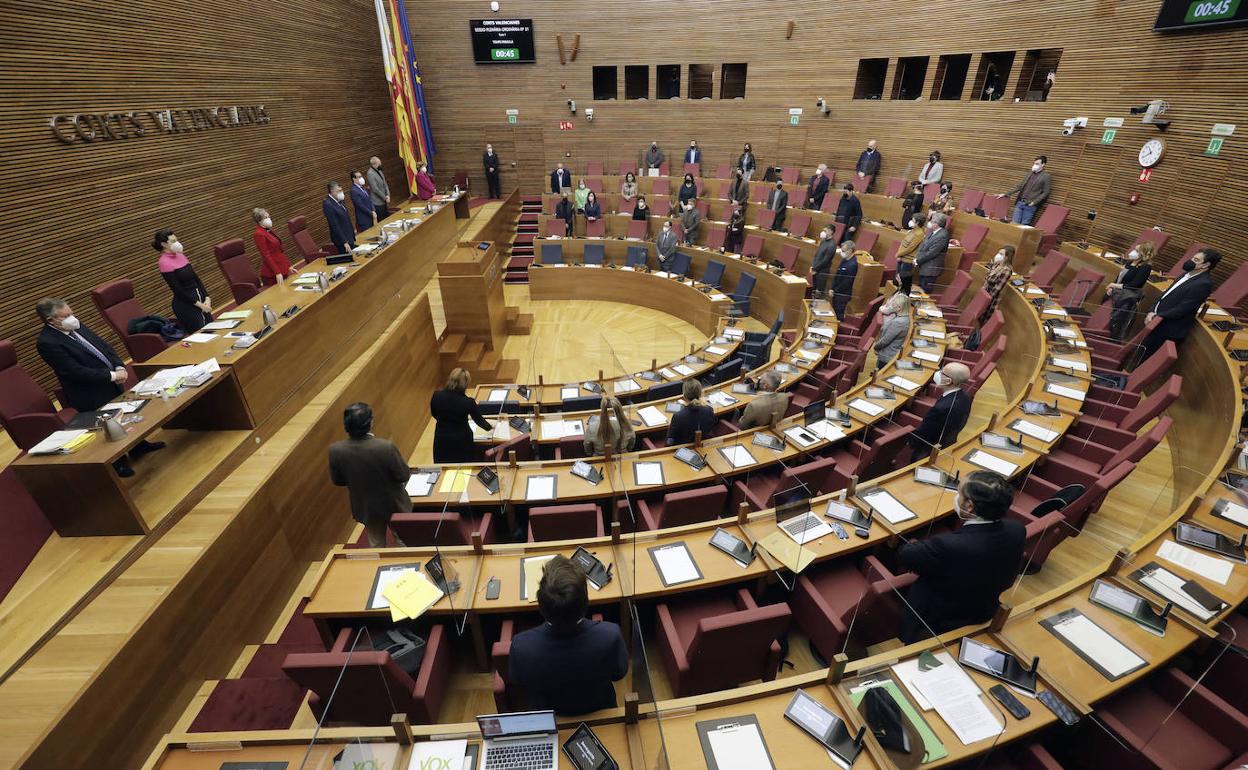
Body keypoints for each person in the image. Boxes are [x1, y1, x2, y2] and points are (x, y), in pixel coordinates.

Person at [35, 298, 164, 478]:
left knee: (122, 414)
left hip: (111, 379)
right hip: (89, 391)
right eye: (66, 316)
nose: (72, 318)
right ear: (51, 320)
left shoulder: (75, 326)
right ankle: (117, 463)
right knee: (105, 425)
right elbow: (73, 371)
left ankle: (138, 447)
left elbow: (104, 347)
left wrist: (119, 365)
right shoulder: (47, 342)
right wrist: (111, 376)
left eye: (71, 313)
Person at [895, 470, 1024, 643]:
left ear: (969, 506)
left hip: (939, 620)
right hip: (983, 608)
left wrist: (912, 543)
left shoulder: (949, 545)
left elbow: (906, 556)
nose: (956, 496)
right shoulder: (1017, 529)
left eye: (958, 493)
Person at [508, 555, 628, 715]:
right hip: (598, 711)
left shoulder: (521, 646)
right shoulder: (610, 635)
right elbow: (618, 674)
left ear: (540, 606)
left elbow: (518, 682)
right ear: (586, 602)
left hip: (550, 718)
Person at [328, 402, 410, 548]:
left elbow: (338, 481)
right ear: (370, 422)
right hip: (394, 504)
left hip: (366, 506)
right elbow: (403, 475)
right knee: (403, 540)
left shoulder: (335, 450)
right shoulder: (385, 447)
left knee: (376, 545)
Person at [1139, 248, 1219, 361]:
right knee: (1141, 353)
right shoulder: (1185, 274)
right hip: (1156, 320)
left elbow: (1183, 309)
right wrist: (1152, 310)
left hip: (1167, 329)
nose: (1191, 261)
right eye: (1192, 258)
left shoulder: (1204, 284)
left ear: (1206, 265)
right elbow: (1166, 294)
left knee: (1148, 360)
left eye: (1196, 260)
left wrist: (1158, 315)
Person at [908, 362, 972, 461]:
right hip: (947, 444)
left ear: (948, 381)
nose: (938, 373)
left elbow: (924, 433)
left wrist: (909, 442)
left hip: (928, 451)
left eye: (942, 373)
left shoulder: (941, 409)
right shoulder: (965, 397)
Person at [429, 368, 493, 463]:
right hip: (461, 440)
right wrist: (491, 427)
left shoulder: (436, 395)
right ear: (465, 384)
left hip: (442, 438)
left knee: (444, 466)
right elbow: (481, 422)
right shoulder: (468, 402)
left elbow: (434, 414)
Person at [153, 229, 212, 332]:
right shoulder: (164, 262)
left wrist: (207, 297)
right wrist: (199, 304)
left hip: (200, 299)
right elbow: (177, 289)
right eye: (173, 241)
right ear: (163, 244)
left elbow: (196, 279)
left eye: (176, 240)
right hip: (187, 304)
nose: (177, 243)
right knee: (202, 335)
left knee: (213, 330)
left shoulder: (181, 255)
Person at [1107, 242, 1155, 341]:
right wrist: (1112, 287)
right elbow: (1120, 277)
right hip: (1115, 292)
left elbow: (1135, 285)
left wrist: (1114, 285)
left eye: (1137, 251)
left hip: (1125, 298)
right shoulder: (1130, 262)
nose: (1133, 252)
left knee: (1116, 324)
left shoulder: (1146, 267)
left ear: (1143, 253)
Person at [251, 208, 294, 286]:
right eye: (266, 218)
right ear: (259, 220)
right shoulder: (258, 234)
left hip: (282, 268)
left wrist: (288, 265)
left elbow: (279, 251)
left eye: (269, 217)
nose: (269, 219)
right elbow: (266, 255)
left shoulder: (269, 230)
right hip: (272, 274)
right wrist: (277, 272)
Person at [1003, 156, 1051, 226]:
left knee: (1024, 226)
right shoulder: (1030, 173)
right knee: (1014, 224)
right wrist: (1006, 194)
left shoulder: (1046, 176)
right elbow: (1020, 186)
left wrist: (1034, 202)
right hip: (1020, 202)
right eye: (1034, 163)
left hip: (1030, 205)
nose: (1035, 165)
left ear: (1043, 164)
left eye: (1037, 164)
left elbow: (1046, 192)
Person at [667, 379, 716, 445]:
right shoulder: (709, 410)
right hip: (702, 445)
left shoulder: (678, 416)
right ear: (700, 393)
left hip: (682, 449)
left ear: (684, 395)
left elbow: (669, 441)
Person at [914, 212, 950, 294]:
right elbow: (923, 245)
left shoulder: (943, 235)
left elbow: (932, 253)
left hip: (931, 269)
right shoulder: (932, 231)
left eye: (932, 221)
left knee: (924, 292)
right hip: (925, 266)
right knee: (919, 291)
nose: (929, 223)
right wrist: (917, 257)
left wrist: (918, 260)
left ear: (937, 224)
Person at [874, 292, 911, 368]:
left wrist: (875, 347)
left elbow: (885, 340)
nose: (892, 305)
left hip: (887, 356)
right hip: (888, 353)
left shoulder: (898, 323)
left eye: (894, 304)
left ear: (899, 308)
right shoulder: (903, 317)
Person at [980, 246, 1015, 324]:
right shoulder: (997, 264)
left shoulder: (1007, 270)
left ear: (1007, 257)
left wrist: (986, 299)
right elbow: (987, 276)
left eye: (1001, 254)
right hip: (985, 291)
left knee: (982, 318)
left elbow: (997, 288)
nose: (998, 255)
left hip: (991, 297)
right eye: (998, 253)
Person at [894, 213, 926, 296]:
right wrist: (899, 255)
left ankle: (900, 299)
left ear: (918, 223)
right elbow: (903, 243)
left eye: (913, 220)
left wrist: (898, 254)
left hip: (907, 261)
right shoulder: (912, 230)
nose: (911, 221)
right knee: (897, 280)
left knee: (903, 283)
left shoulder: (920, 234)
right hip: (901, 258)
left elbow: (910, 248)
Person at [830, 240, 860, 320]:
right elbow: (837, 275)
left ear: (850, 251)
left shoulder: (853, 264)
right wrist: (832, 288)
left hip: (843, 294)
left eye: (843, 251)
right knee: (834, 311)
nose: (841, 253)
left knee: (839, 314)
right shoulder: (845, 260)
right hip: (836, 292)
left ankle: (839, 329)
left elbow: (847, 282)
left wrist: (835, 290)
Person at [323, 182, 356, 254]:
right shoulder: (328, 204)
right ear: (332, 191)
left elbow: (346, 218)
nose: (341, 193)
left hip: (349, 237)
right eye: (339, 191)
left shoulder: (339, 200)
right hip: (342, 241)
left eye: (341, 190)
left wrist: (353, 234)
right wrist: (344, 242)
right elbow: (335, 225)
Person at [810, 226, 837, 298]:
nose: (823, 232)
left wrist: (815, 269)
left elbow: (826, 260)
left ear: (831, 232)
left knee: (819, 293)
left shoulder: (832, 245)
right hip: (815, 269)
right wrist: (813, 266)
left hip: (822, 272)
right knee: (814, 290)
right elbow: (817, 254)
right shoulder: (823, 241)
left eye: (825, 231)